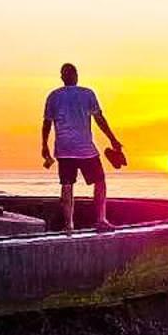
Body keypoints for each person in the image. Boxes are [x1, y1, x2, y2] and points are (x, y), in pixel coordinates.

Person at [40, 62, 122, 232]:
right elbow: (100, 119)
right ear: (76, 76)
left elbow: (46, 124)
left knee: (67, 185)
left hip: (63, 149)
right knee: (99, 181)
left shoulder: (53, 96)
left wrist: (44, 146)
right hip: (85, 149)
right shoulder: (87, 94)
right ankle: (101, 220)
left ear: (62, 77)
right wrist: (113, 139)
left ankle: (69, 225)